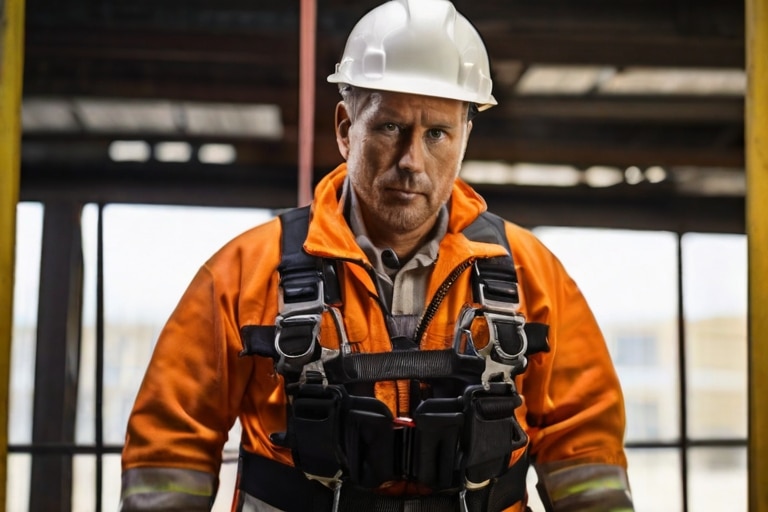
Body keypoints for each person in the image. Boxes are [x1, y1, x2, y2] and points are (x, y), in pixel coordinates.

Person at [119, 1, 634, 511]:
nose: (412, 161)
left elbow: (584, 448)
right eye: (390, 127)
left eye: (437, 133)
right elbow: (172, 443)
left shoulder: (530, 273)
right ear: (346, 128)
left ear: (465, 138)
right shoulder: (244, 273)